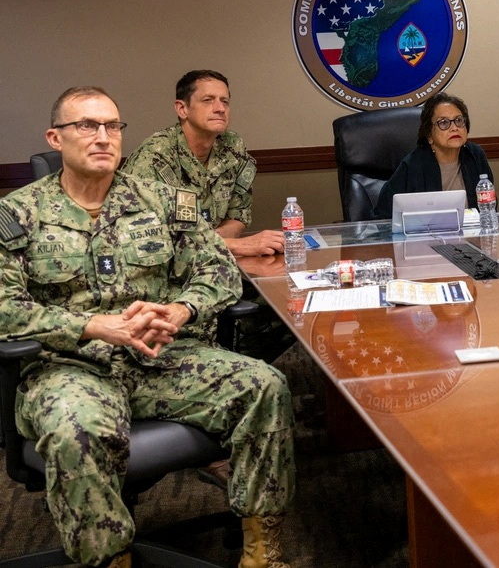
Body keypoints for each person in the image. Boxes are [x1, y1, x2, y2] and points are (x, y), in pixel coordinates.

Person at [0, 87, 295, 567]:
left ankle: (262, 552)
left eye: (113, 127)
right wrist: (94, 326)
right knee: (80, 428)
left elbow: (217, 269)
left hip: (161, 357)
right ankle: (111, 559)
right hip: (70, 366)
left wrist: (181, 310)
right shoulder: (16, 214)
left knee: (263, 385)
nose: (103, 137)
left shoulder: (163, 200)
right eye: (87, 126)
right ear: (55, 137)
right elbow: (5, 309)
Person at [123, 70, 293, 361]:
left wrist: (211, 243)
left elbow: (238, 214)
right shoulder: (154, 158)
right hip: (165, 278)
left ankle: (252, 364)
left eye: (225, 101)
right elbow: (153, 242)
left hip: (217, 264)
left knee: (289, 300)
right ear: (182, 109)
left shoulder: (232, 147)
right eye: (208, 100)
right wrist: (235, 246)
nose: (219, 108)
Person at [374, 92, 492, 218]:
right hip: (424, 235)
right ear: (429, 135)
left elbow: (489, 206)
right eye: (444, 123)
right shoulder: (413, 165)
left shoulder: (474, 155)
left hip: (471, 233)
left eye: (459, 120)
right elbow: (383, 215)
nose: (454, 128)